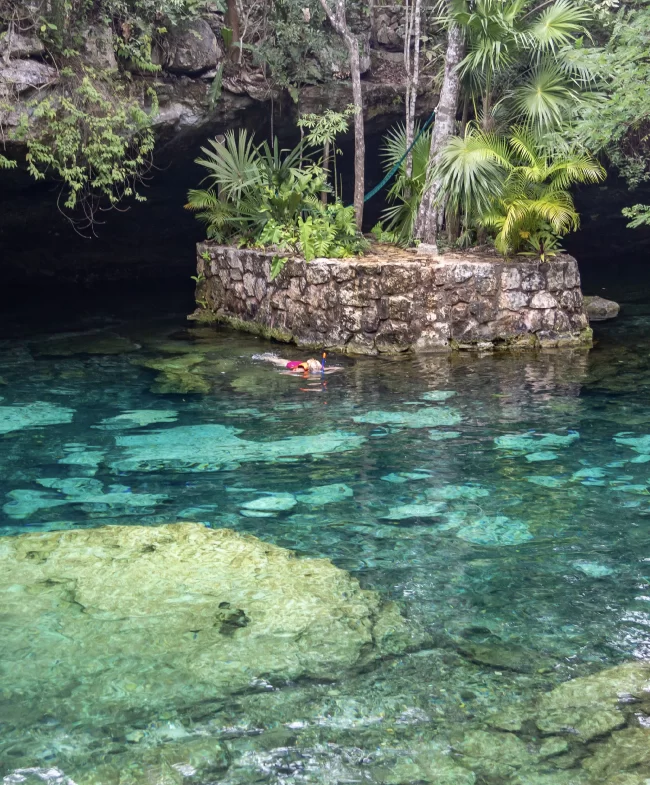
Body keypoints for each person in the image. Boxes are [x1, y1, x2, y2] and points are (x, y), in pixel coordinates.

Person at [253, 353, 342, 374]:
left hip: (298, 362)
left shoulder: (320, 368)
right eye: (316, 369)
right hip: (289, 364)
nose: (318, 370)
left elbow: (332, 368)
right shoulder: (302, 369)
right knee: (274, 360)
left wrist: (337, 368)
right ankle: (262, 357)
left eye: (318, 368)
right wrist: (284, 373)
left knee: (277, 359)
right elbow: (292, 371)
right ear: (310, 368)